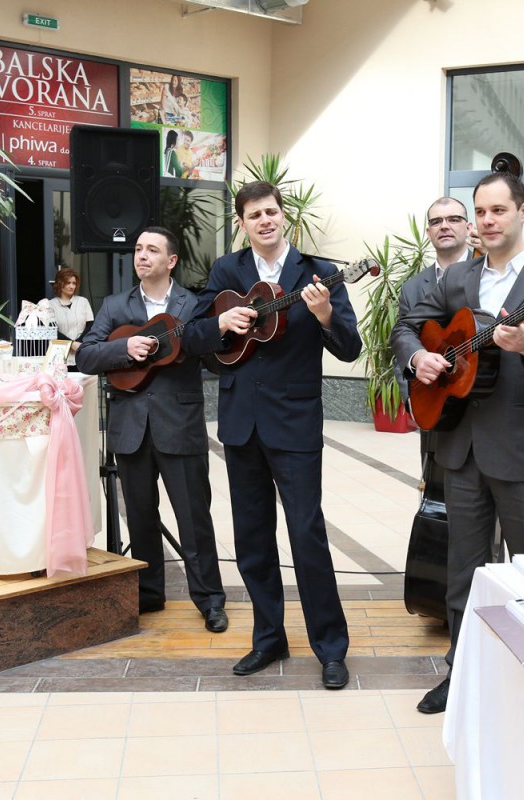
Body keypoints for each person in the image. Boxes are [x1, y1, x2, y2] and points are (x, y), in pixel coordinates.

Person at [391, 171, 524, 713]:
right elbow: (407, 326)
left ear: (523, 212)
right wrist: (419, 356)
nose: (487, 220)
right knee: (463, 572)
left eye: (498, 210)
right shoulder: (458, 278)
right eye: (480, 211)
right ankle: (461, 673)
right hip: (460, 448)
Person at [182, 180, 361, 690]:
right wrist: (222, 322)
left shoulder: (318, 272)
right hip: (241, 422)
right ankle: (268, 638)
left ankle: (331, 647)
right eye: (254, 214)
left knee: (307, 535)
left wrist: (324, 314)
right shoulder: (227, 270)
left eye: (271, 212)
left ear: (285, 216)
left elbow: (350, 347)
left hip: (295, 421)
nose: (265, 220)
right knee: (252, 539)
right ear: (242, 224)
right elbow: (193, 338)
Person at [76, 227, 228, 633]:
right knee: (141, 518)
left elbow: (216, 362)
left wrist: (222, 333)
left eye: (152, 250)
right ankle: (148, 594)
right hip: (130, 428)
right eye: (139, 249)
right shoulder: (115, 305)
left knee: (194, 518)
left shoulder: (194, 305)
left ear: (171, 261)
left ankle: (210, 599)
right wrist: (123, 348)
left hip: (180, 425)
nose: (142, 255)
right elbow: (87, 355)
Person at [394, 197, 479, 405]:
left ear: (469, 228)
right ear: (428, 232)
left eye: (454, 219)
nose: (444, 226)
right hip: (435, 403)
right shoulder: (412, 288)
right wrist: (410, 401)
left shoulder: (489, 271)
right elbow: (403, 345)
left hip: (483, 396)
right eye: (436, 221)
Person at [45, 267, 94, 370]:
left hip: (82, 350)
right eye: (68, 283)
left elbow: (90, 326)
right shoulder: (50, 305)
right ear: (60, 283)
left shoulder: (83, 302)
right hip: (60, 355)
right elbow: (52, 331)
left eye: (74, 283)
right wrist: (71, 344)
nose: (72, 286)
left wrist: (79, 343)